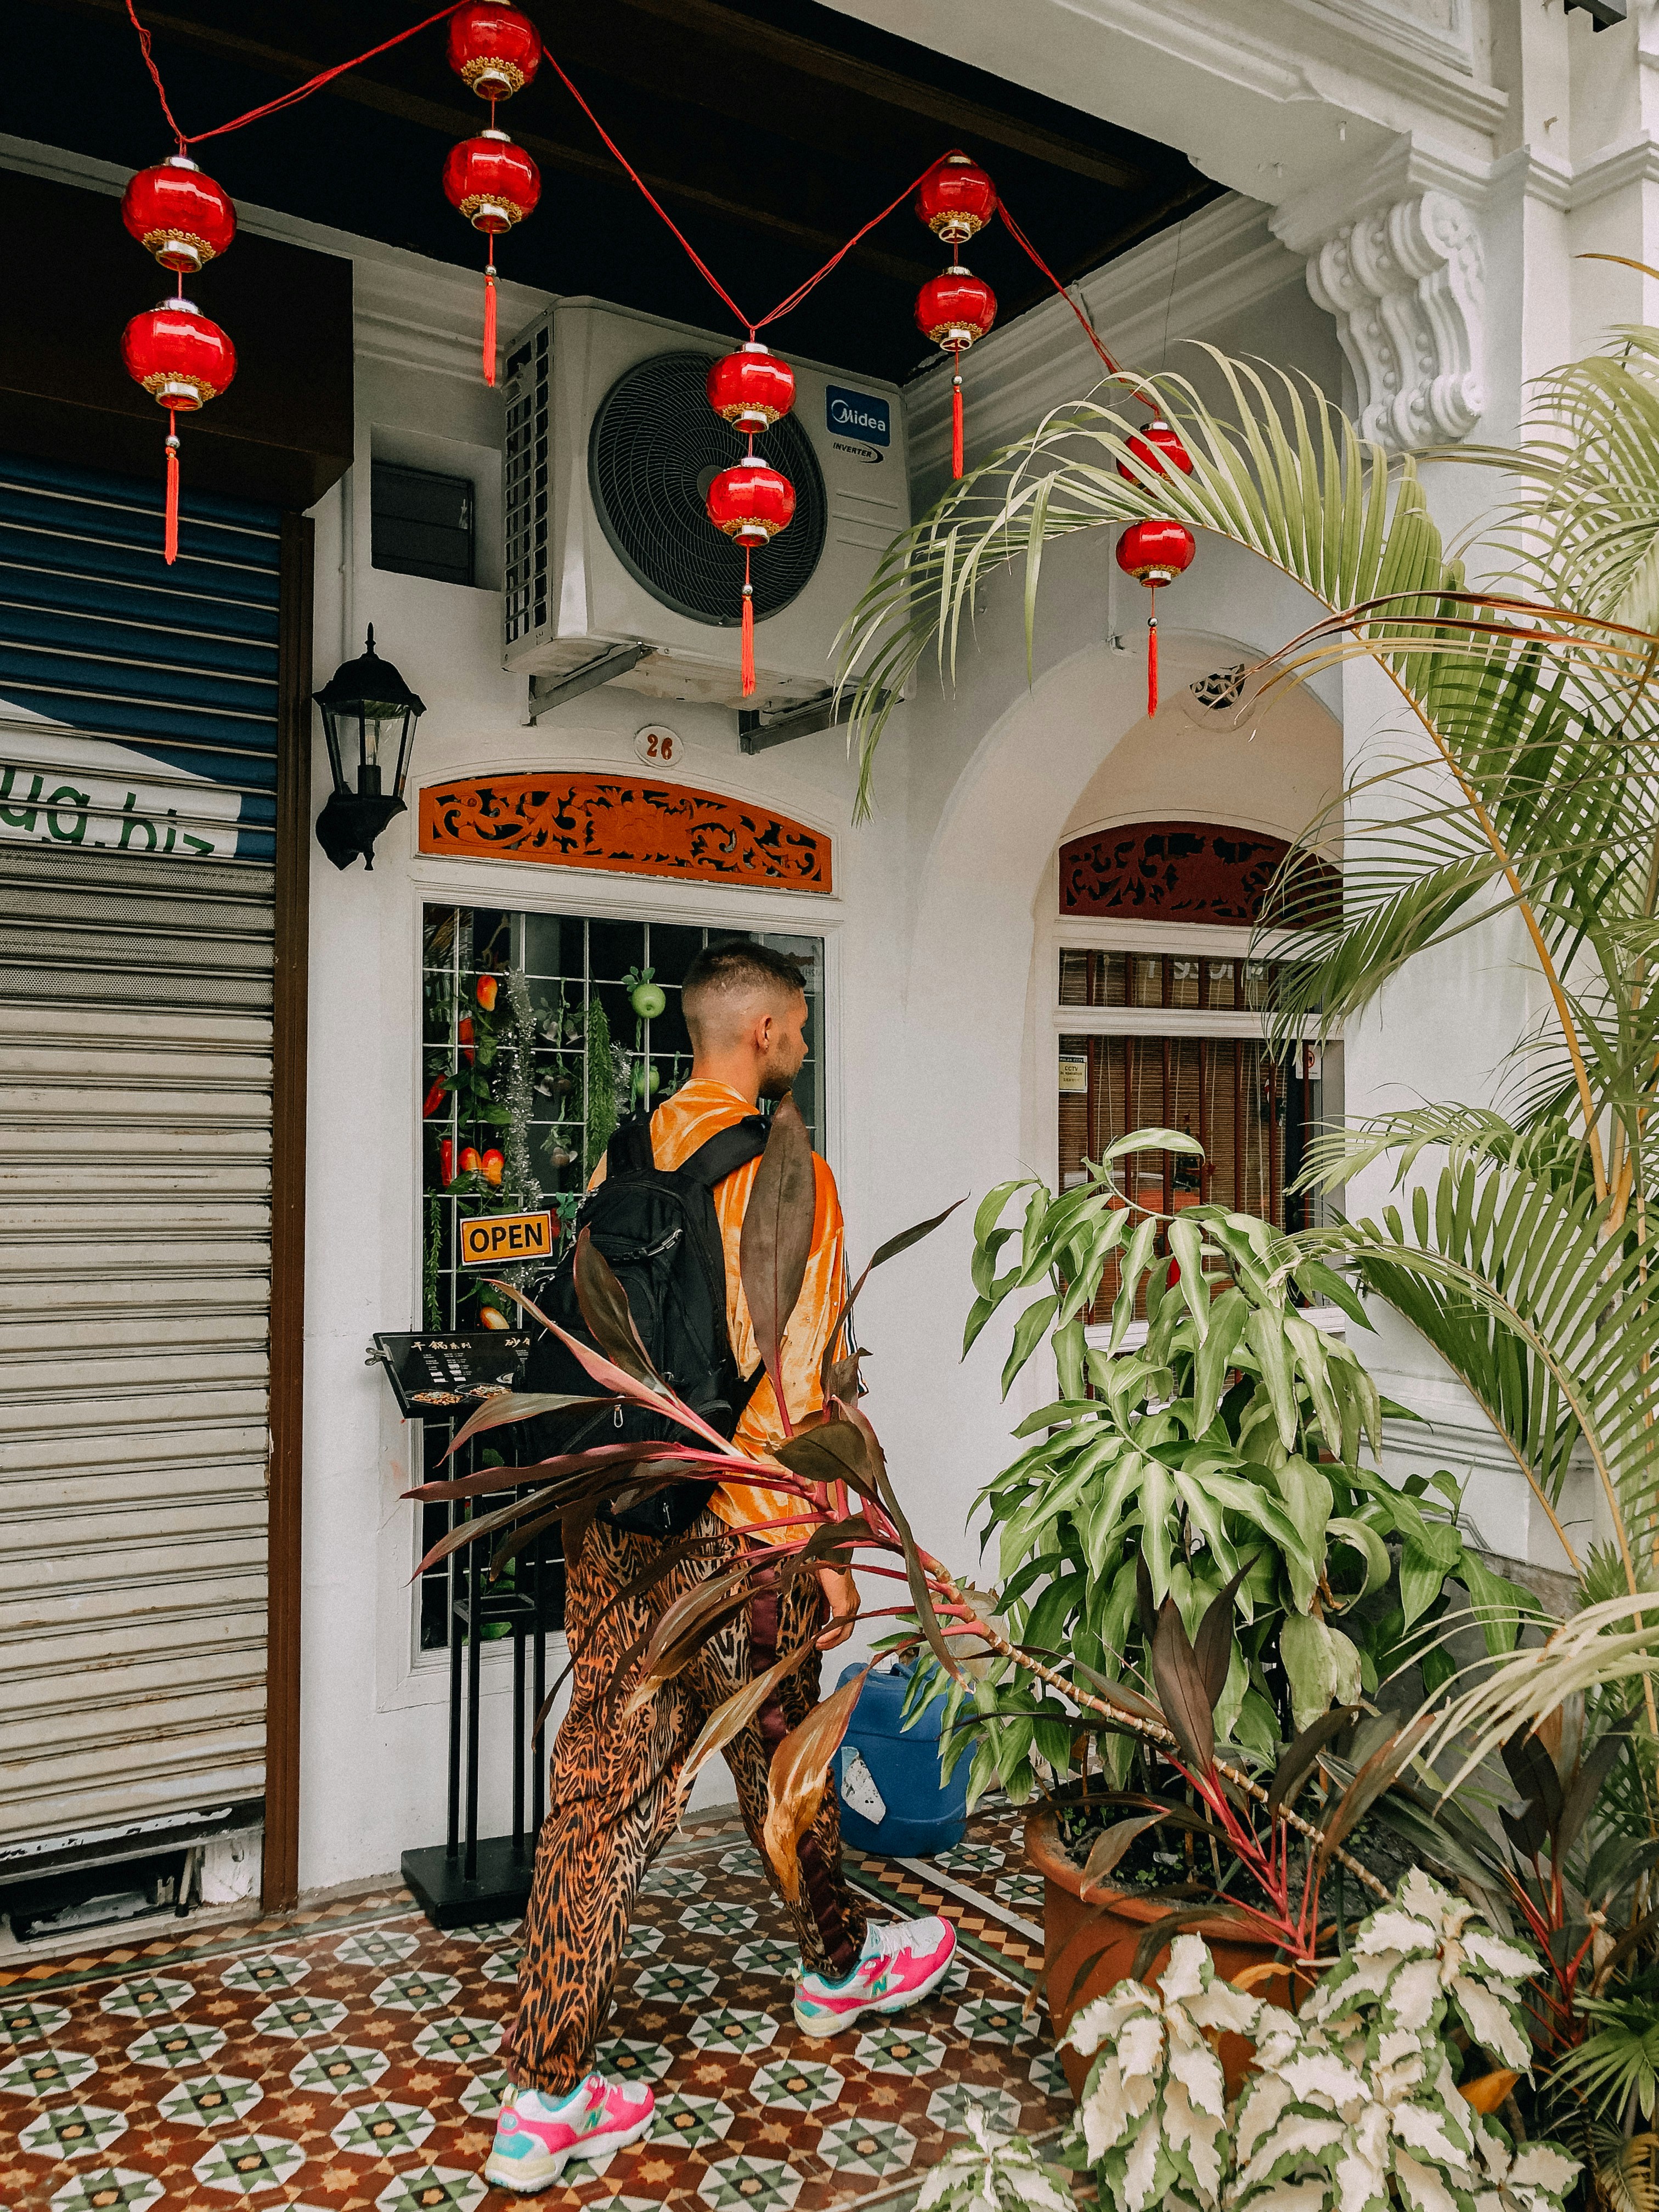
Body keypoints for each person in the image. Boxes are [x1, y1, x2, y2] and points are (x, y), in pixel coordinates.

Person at [486, 940, 955, 2195]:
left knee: (607, 1785)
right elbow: (805, 1377)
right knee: (781, 1752)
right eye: (795, 1027)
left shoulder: (619, 1160)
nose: (801, 1044)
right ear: (760, 1034)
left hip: (619, 1518)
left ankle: (546, 2096)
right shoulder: (795, 1175)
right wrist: (825, 1541)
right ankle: (837, 1967)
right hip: (741, 1534)